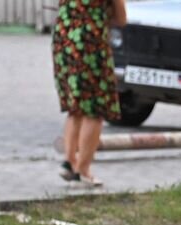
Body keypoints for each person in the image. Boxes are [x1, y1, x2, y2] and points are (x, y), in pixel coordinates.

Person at [52, 0, 127, 188]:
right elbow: (122, 18)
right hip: (90, 43)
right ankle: (83, 172)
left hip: (64, 40)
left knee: (75, 106)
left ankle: (69, 162)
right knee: (95, 108)